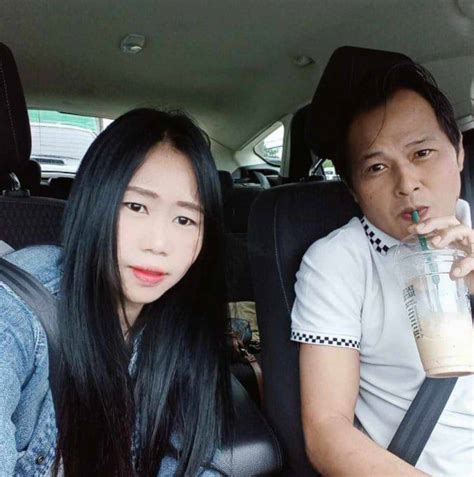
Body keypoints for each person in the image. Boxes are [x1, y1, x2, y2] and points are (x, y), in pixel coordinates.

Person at [0, 109, 233, 476]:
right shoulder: (17, 307)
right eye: (136, 206)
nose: (158, 244)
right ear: (95, 201)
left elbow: (192, 461)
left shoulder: (185, 322)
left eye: (185, 219)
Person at [291, 63, 473, 476]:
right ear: (353, 189)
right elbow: (326, 428)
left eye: (422, 153)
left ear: (459, 151)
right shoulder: (340, 261)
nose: (407, 183)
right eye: (376, 167)